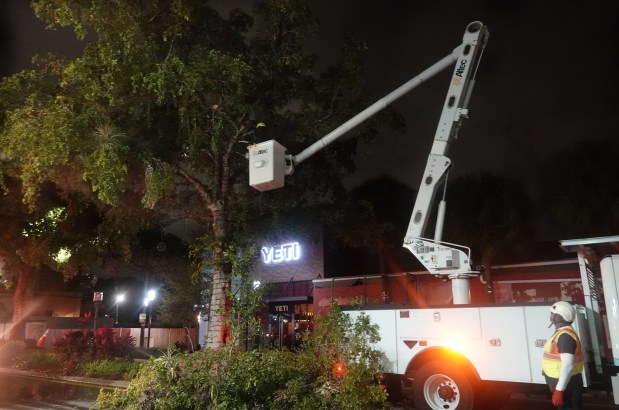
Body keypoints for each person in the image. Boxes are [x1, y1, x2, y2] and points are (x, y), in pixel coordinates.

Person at [542, 301, 584, 409]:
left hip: (567, 385)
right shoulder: (562, 333)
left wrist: (559, 390)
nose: (551, 316)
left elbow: (568, 365)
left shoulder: (565, 336)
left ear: (559, 317)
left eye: (553, 314)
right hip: (565, 382)